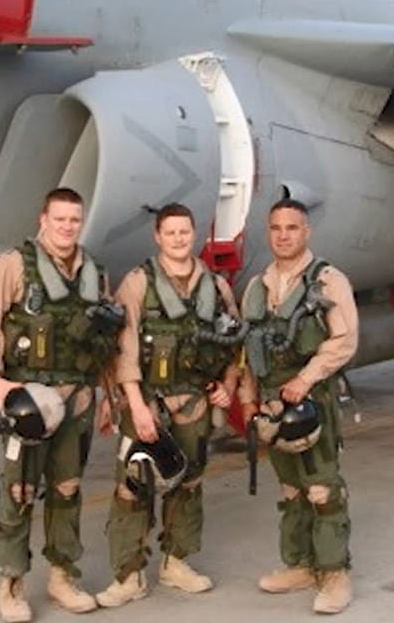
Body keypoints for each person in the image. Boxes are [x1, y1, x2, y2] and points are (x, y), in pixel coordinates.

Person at [0, 188, 122, 623]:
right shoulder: (15, 265)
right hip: (29, 402)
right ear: (43, 220)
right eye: (60, 219)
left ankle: (62, 577)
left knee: (67, 489)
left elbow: (105, 342)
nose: (67, 228)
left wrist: (110, 397)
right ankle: (11, 582)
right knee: (19, 491)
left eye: (74, 220)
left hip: (78, 399)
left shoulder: (94, 273)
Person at [95, 203, 243, 608]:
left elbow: (234, 344)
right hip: (147, 401)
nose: (178, 239)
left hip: (194, 402)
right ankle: (128, 575)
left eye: (185, 232)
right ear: (157, 237)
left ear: (194, 235)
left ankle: (176, 561)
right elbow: (124, 348)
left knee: (188, 481)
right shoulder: (138, 284)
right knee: (134, 484)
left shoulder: (215, 287)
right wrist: (136, 406)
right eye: (171, 232)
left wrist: (227, 386)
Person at [239, 198, 360, 615]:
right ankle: (301, 565)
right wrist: (248, 402)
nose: (283, 235)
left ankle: (334, 573)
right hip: (273, 404)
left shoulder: (328, 281)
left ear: (306, 232)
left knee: (322, 488)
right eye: (276, 228)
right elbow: (247, 349)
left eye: (292, 228)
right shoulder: (258, 286)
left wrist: (306, 379)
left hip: (312, 400)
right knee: (291, 488)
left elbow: (344, 340)